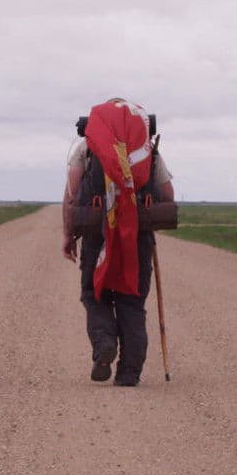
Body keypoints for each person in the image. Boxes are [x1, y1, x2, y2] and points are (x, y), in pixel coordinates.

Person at [61, 98, 175, 386]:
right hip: (137, 236)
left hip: (96, 232)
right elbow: (168, 194)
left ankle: (104, 344)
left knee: (94, 293)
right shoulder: (148, 151)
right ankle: (129, 373)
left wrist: (67, 236)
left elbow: (72, 195)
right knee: (132, 300)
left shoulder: (85, 149)